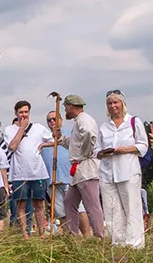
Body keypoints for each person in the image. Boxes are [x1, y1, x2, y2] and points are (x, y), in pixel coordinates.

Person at [96, 90, 148, 251]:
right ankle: (117, 243)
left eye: (115, 102)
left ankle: (135, 244)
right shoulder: (104, 127)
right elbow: (96, 149)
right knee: (112, 210)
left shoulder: (133, 122)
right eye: (110, 103)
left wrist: (124, 149)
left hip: (128, 171)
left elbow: (143, 146)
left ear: (122, 104)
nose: (113, 106)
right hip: (107, 172)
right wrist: (103, 152)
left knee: (132, 207)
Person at [3, 101, 54, 238]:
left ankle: (42, 233)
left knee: (39, 204)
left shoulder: (38, 128)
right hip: (19, 173)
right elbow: (12, 147)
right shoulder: (9, 130)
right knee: (21, 205)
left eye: (26, 112)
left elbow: (56, 140)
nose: (24, 115)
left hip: (37, 172)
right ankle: (25, 234)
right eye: (21, 112)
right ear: (16, 113)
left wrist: (44, 145)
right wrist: (21, 129)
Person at [60, 95, 104, 238]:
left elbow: (89, 134)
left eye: (66, 106)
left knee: (92, 205)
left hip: (86, 168)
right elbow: (75, 145)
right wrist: (60, 138)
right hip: (78, 170)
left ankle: (99, 237)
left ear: (71, 106)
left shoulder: (84, 119)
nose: (65, 110)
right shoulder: (78, 121)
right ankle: (73, 236)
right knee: (69, 202)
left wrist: (86, 151)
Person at [40, 111, 72, 232]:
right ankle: (69, 236)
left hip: (69, 178)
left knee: (77, 209)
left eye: (54, 119)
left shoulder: (69, 134)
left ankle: (85, 236)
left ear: (61, 120)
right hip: (52, 181)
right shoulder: (44, 137)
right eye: (49, 120)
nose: (52, 122)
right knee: (60, 212)